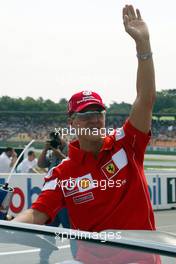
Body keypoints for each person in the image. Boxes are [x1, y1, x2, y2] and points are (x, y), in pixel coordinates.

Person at [14, 1, 157, 244]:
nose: (95, 119)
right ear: (72, 123)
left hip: (141, 260)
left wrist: (143, 45)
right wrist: (9, 226)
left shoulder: (127, 144)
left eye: (99, 112)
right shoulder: (62, 173)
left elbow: (145, 99)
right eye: (85, 115)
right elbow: (37, 213)